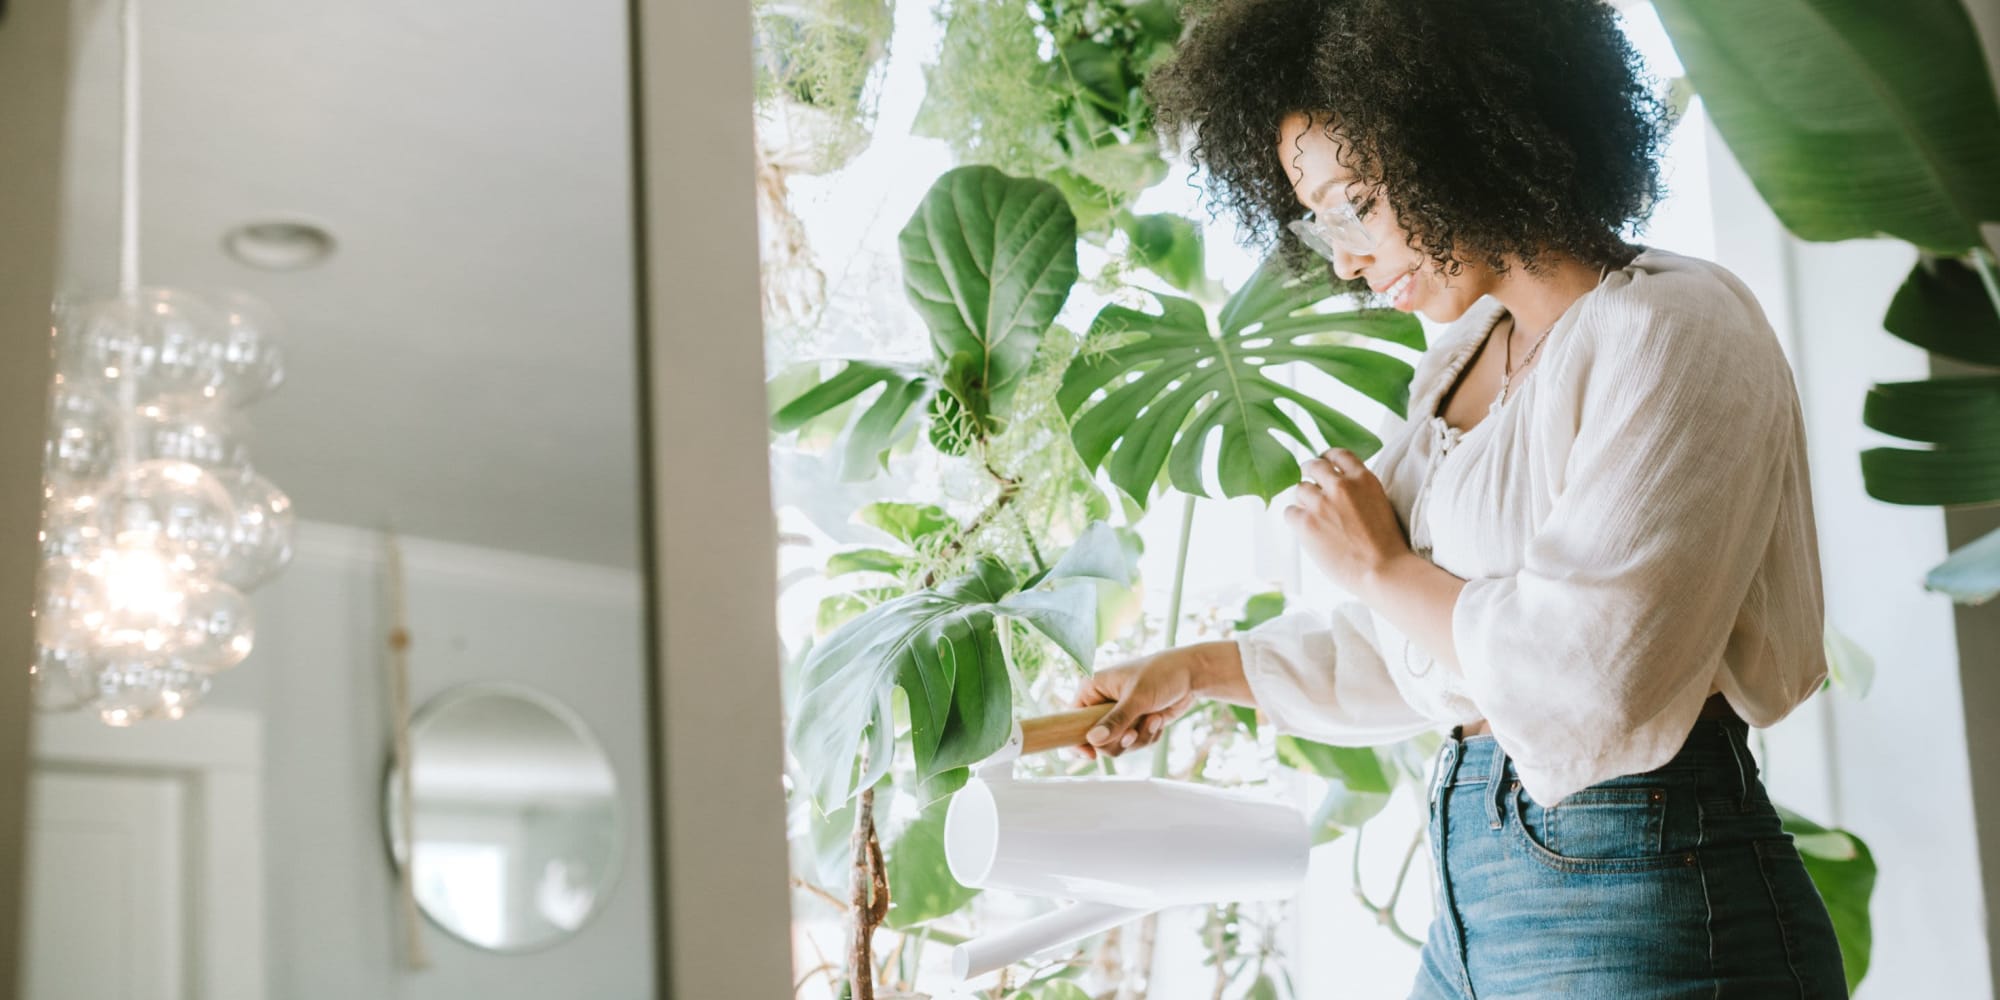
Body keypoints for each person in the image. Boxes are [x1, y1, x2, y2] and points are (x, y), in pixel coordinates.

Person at [1068, 0, 1849, 996]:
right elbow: (1428, 650)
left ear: (1459, 132)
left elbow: (1589, 680)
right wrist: (1194, 671)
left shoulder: (1672, 327)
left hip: (1641, 888)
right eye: (1316, 217)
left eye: (1355, 203)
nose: (1342, 254)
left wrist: (1382, 566)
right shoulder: (1456, 362)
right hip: (1472, 885)